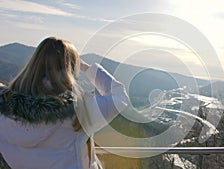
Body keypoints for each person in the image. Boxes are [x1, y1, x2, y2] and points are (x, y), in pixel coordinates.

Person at [0, 37, 129, 169]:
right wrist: (88, 68)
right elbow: (119, 96)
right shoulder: (78, 109)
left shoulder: (4, 107)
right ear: (71, 67)